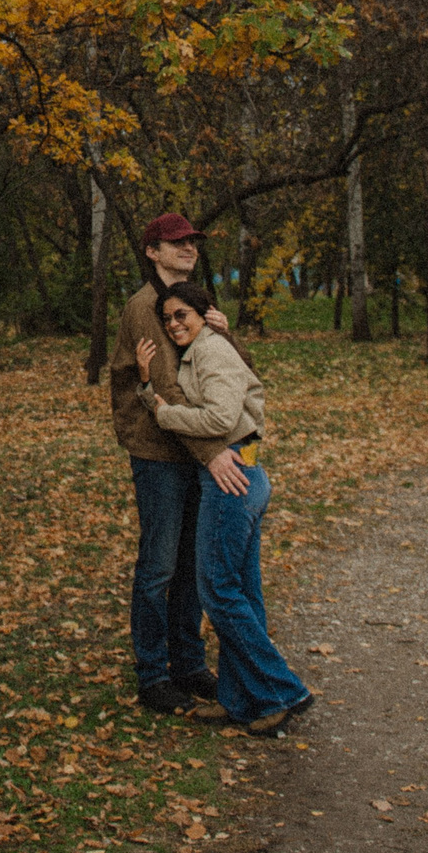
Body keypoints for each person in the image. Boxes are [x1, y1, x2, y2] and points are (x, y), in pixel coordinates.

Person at [136, 279, 318, 735]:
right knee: (241, 591)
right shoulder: (201, 351)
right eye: (167, 318)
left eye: (182, 314)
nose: (174, 324)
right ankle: (241, 699)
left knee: (217, 589)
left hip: (232, 475)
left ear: (203, 313)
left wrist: (163, 415)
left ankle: (282, 689)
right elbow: (185, 404)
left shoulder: (213, 351)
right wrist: (146, 385)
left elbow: (218, 417)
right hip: (242, 472)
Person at [108, 211, 247, 714]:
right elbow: (164, 387)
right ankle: (152, 675)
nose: (188, 248)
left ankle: (189, 666)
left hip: (191, 442)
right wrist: (212, 455)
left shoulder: (195, 300)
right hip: (159, 449)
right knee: (160, 566)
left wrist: (226, 333)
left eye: (192, 241)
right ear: (152, 251)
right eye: (176, 243)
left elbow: (229, 370)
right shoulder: (146, 307)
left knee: (190, 562)